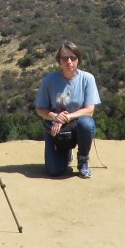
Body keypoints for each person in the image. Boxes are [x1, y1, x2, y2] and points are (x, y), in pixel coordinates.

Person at [34, 42, 101, 179]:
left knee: (86, 124)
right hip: (56, 128)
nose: (69, 61)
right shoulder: (49, 81)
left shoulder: (87, 79)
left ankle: (83, 160)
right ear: (59, 60)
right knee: (54, 171)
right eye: (64, 58)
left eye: (73, 57)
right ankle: (65, 152)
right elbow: (40, 109)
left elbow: (89, 110)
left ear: (78, 59)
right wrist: (55, 117)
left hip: (78, 125)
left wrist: (67, 117)